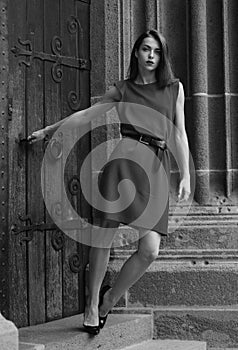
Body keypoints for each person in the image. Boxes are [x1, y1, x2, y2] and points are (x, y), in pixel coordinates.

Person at [28, 29, 191, 335]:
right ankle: (91, 306)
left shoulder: (174, 89)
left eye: (156, 51)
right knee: (103, 237)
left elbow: (179, 133)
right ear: (136, 53)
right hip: (124, 161)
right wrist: (50, 130)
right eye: (146, 49)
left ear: (163, 55)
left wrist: (185, 174)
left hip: (156, 167)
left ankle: (108, 300)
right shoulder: (123, 90)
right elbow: (87, 115)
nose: (151, 56)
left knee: (150, 250)